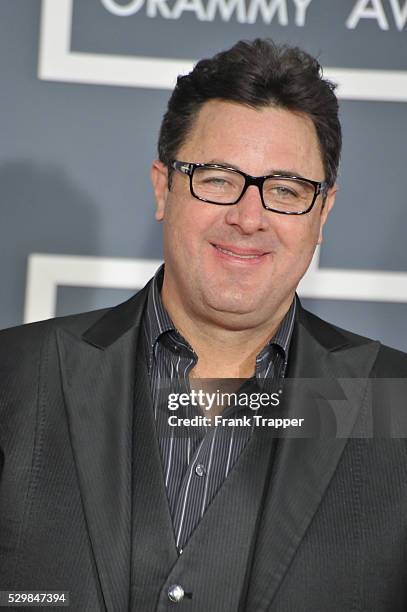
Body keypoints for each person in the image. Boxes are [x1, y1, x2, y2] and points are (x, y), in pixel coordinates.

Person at [1, 38, 407, 612]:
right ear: (163, 186)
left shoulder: (394, 402)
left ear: (323, 214)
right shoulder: (15, 376)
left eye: (286, 190)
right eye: (217, 178)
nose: (248, 217)